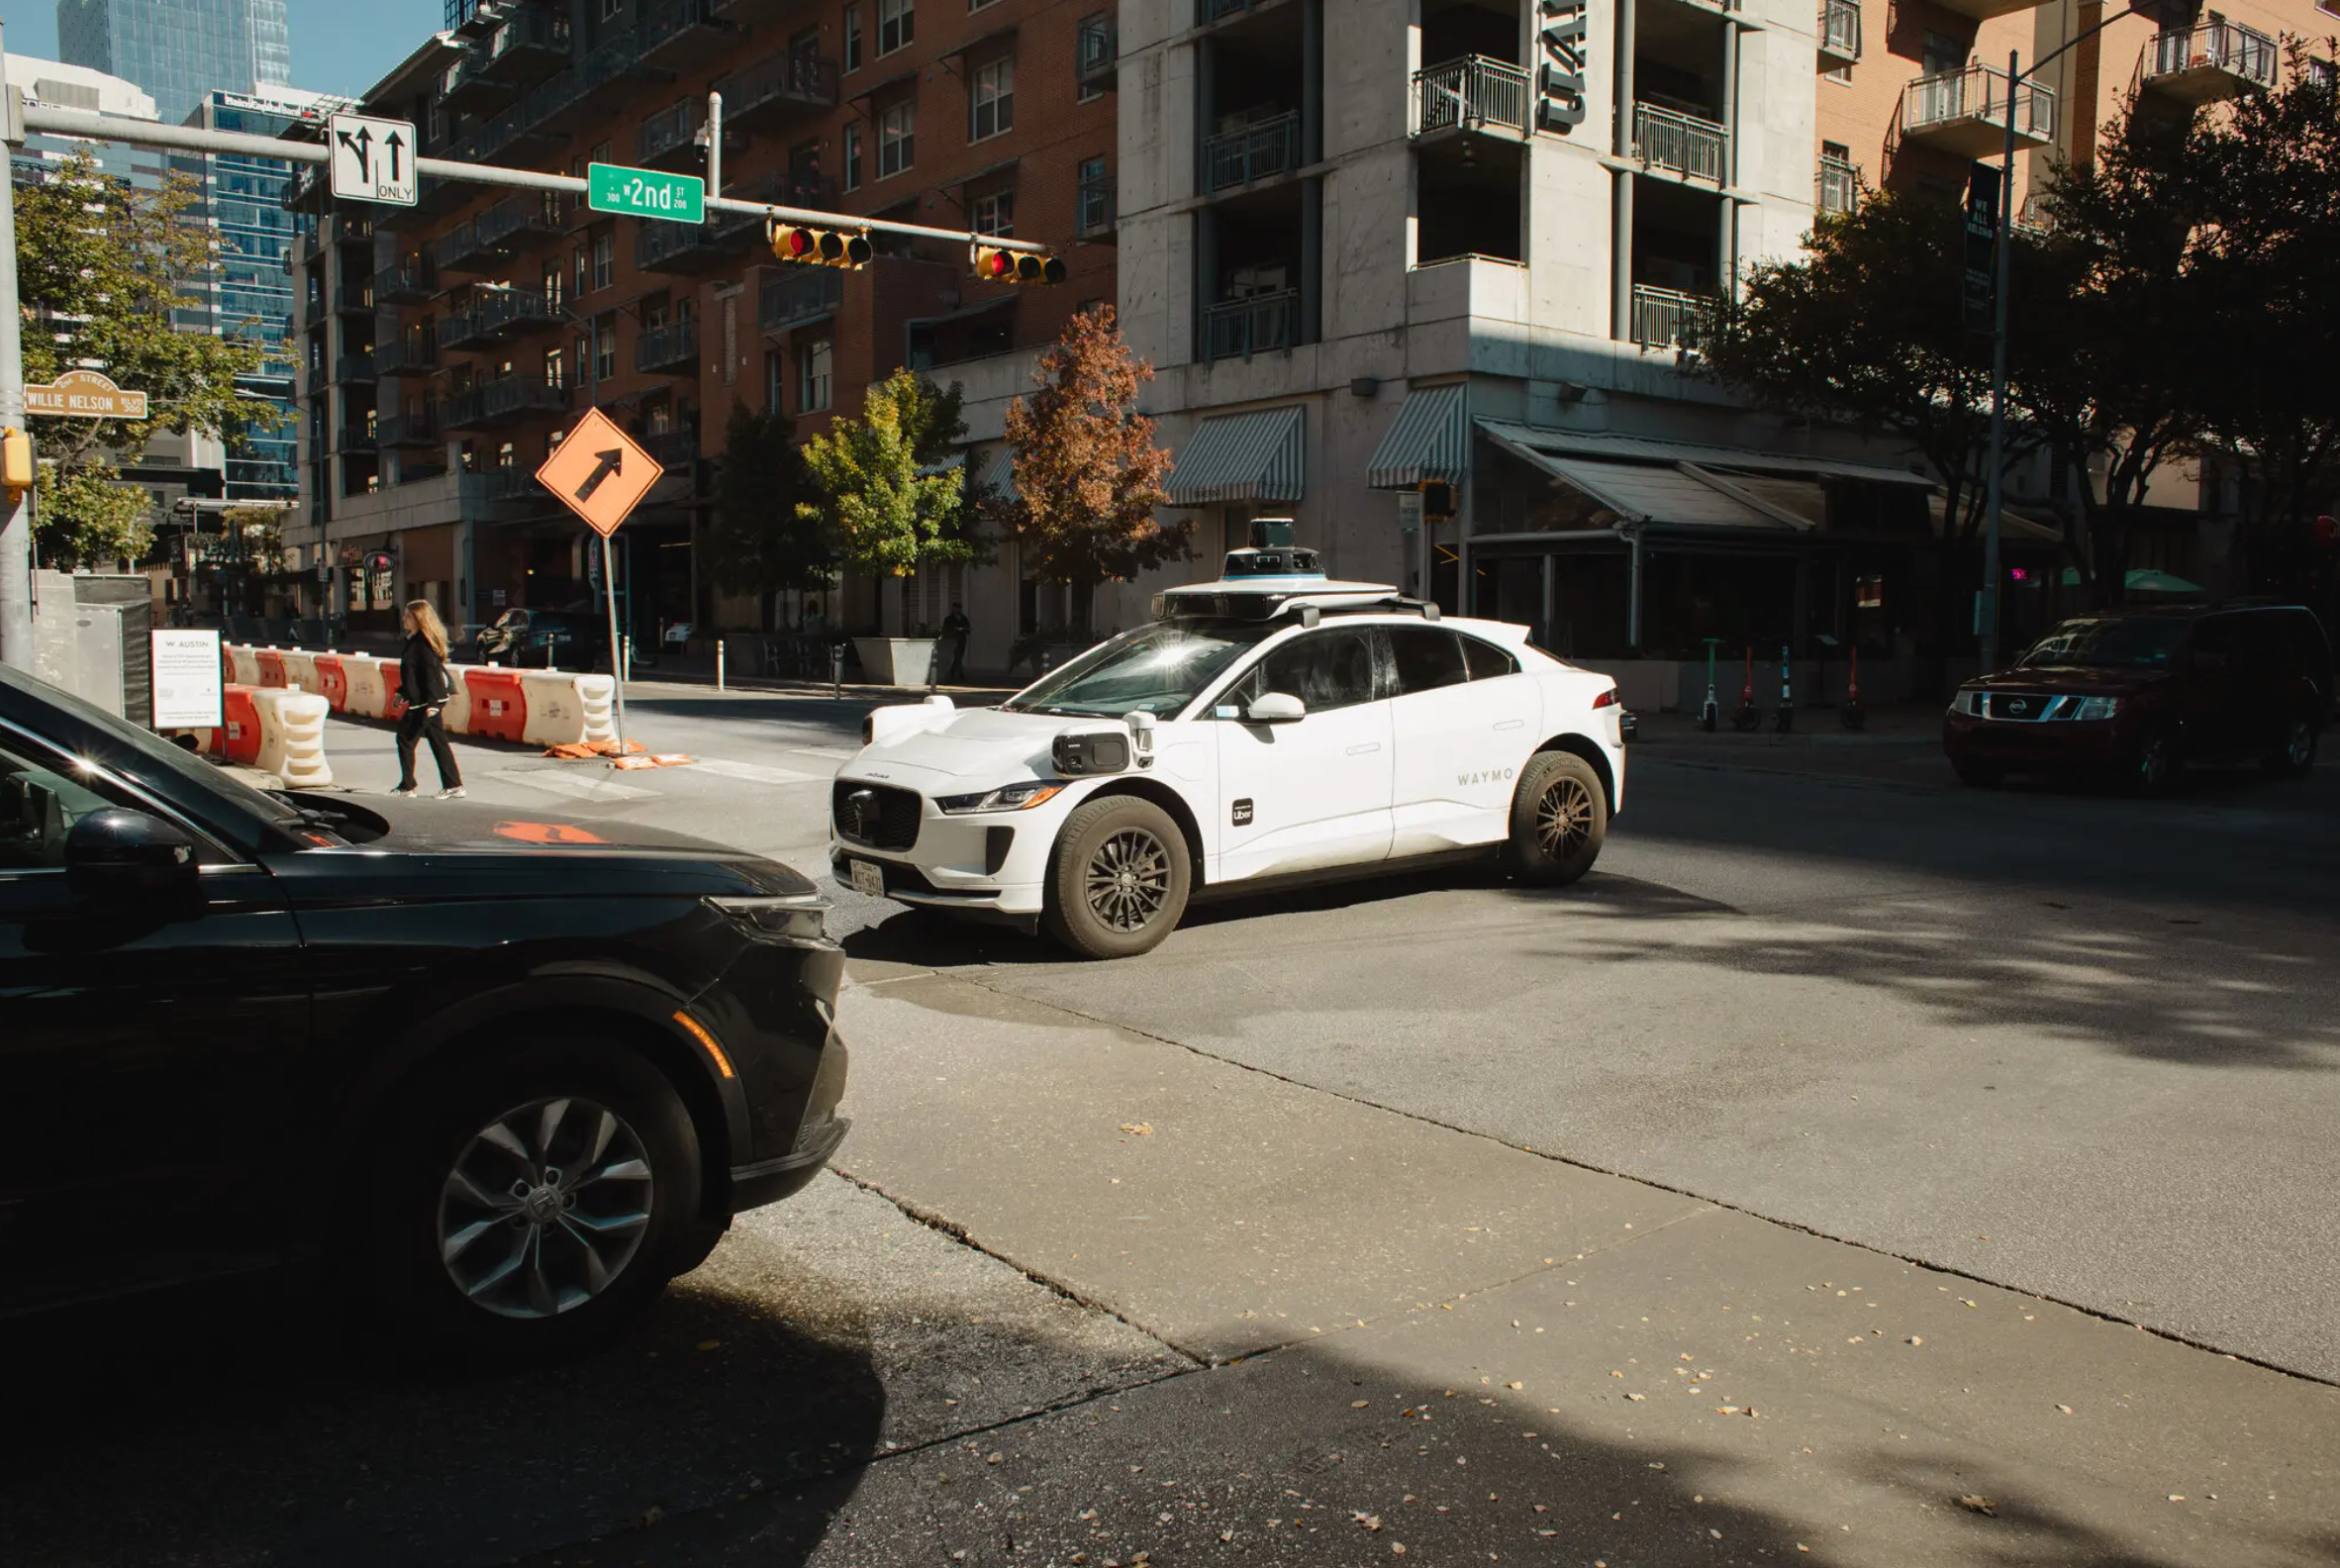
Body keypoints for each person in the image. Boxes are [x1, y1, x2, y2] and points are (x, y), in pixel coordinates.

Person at [394, 600, 465, 799]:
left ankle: (408, 786)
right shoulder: (413, 640)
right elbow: (412, 674)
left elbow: (431, 675)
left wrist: (433, 704)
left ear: (418, 618)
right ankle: (453, 785)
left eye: (407, 615)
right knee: (437, 742)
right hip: (423, 700)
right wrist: (402, 692)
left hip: (426, 702)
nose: (404, 619)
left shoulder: (423, 644)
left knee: (406, 739)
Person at [942, 601, 972, 684]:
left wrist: (964, 629)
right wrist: (955, 630)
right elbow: (946, 629)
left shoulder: (963, 618)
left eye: (959, 608)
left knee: (959, 656)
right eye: (956, 608)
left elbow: (968, 628)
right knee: (954, 656)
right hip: (952, 640)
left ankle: (957, 672)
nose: (958, 610)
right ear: (953, 608)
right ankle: (954, 672)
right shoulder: (949, 619)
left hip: (962, 640)